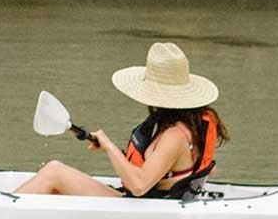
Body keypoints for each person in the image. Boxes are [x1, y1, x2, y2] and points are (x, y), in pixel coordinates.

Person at [16, 41, 227, 198]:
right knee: (56, 179)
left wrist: (109, 147)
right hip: (151, 204)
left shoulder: (175, 135)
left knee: (54, 172)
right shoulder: (192, 124)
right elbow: (204, 171)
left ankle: (4, 212)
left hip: (148, 212)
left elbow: (139, 186)